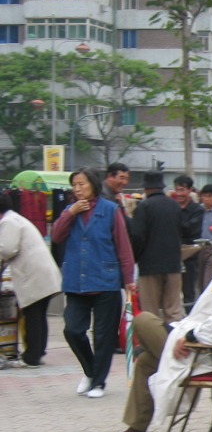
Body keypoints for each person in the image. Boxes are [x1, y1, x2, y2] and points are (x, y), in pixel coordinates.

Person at [100, 215, 212, 432]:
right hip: (202, 344)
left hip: (206, 351)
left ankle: (150, 352)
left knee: (143, 320)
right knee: (146, 361)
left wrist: (190, 338)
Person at [51, 167, 136, 399]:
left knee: (103, 336)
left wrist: (129, 279)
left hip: (105, 281)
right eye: (74, 185)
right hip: (76, 281)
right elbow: (56, 236)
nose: (78, 189)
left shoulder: (110, 210)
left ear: (93, 185)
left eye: (82, 184)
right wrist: (70, 213)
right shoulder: (70, 210)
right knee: (72, 329)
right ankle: (90, 370)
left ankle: (98, 382)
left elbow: (123, 246)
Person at [0, 193, 62, 367]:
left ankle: (31, 356)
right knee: (39, 315)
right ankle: (38, 352)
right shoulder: (15, 218)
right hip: (41, 273)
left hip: (34, 275)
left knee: (32, 315)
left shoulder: (8, 222)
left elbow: (6, 250)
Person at [132, 170, 184, 324]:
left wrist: (136, 258)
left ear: (146, 188)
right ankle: (174, 338)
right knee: (173, 311)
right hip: (173, 265)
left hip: (149, 266)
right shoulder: (175, 205)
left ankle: (155, 340)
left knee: (150, 313)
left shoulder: (143, 206)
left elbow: (137, 236)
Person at [174, 176, 204, 307]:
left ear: (190, 190)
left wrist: (174, 226)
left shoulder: (197, 210)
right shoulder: (173, 207)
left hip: (190, 256)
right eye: (177, 190)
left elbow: (190, 229)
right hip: (173, 255)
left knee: (188, 291)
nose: (179, 193)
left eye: (182, 190)